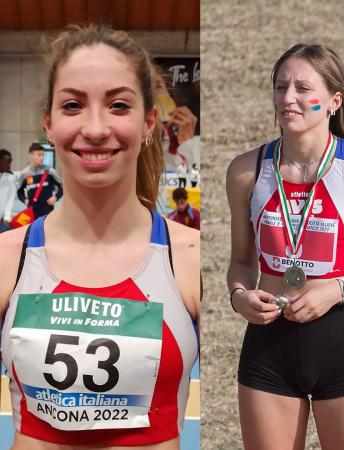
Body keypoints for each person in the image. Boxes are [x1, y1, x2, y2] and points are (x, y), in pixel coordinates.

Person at [0, 25, 199, 449]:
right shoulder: (5, 260)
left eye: (118, 106)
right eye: (73, 105)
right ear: (49, 125)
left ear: (148, 123)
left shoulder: (191, 259)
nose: (94, 128)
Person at [225, 43, 344, 449]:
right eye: (281, 87)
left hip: (340, 338)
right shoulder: (246, 170)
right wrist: (239, 297)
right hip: (268, 343)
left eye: (303, 88)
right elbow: (240, 262)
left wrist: (337, 289)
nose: (289, 98)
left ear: (334, 101)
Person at [16, 143, 64, 219]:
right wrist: (25, 200)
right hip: (32, 213)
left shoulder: (50, 172)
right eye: (39, 155)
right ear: (31, 155)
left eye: (43, 155)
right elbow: (19, 191)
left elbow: (63, 187)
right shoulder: (25, 174)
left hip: (48, 213)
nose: (42, 157)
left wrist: (55, 198)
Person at [0, 149, 16, 231]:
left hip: (2, 220)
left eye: (10, 162)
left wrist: (7, 217)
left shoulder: (11, 177)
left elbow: (10, 198)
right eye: (8, 162)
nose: (10, 165)